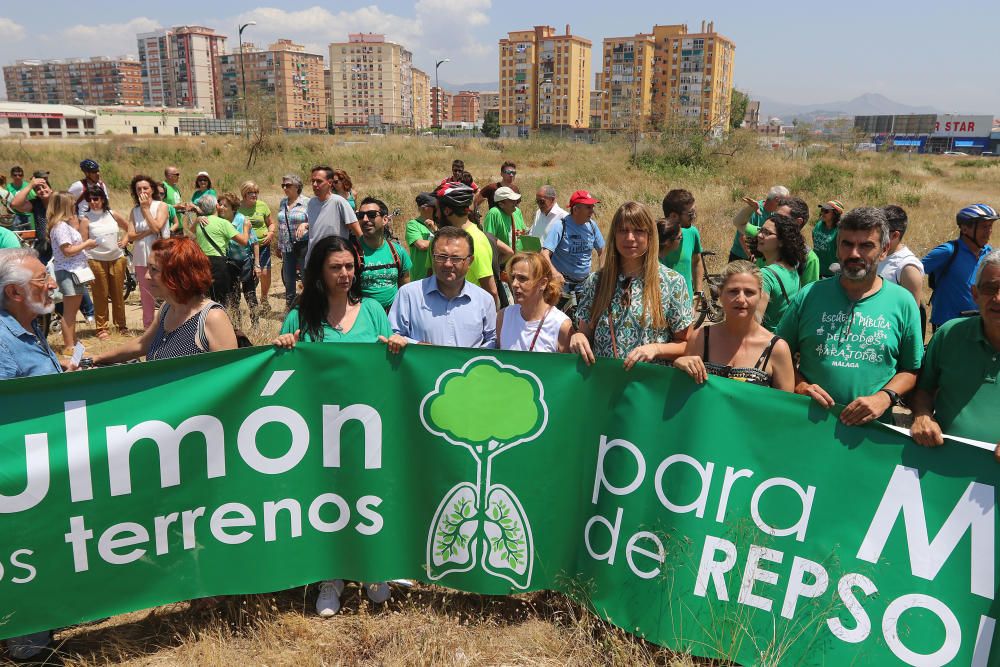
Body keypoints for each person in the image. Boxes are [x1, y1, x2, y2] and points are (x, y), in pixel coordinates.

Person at [271, 233, 396, 615]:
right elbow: (283, 372)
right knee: (326, 500)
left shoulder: (373, 310)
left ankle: (373, 567)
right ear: (318, 272)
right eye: (335, 267)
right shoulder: (299, 315)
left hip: (366, 425)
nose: (345, 274)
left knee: (368, 496)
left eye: (349, 266)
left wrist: (397, 347)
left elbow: (389, 366)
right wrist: (284, 346)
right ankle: (331, 574)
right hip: (317, 427)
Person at [776, 207, 923, 426]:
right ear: (837, 248)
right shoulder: (809, 295)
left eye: (865, 246)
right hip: (807, 423)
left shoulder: (903, 302)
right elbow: (777, 354)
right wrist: (800, 385)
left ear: (883, 251)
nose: (854, 254)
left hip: (871, 433)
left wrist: (884, 397)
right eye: (847, 244)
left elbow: (911, 369)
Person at [0, 248, 62, 661]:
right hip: (19, 477)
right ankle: (28, 648)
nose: (53, 283)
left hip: (44, 466)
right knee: (23, 553)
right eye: (42, 280)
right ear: (13, 293)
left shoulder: (29, 329)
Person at [571, 201, 692, 368]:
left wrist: (656, 349)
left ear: (650, 236)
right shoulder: (596, 281)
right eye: (623, 230)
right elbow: (585, 333)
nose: (630, 237)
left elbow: (686, 344)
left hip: (648, 388)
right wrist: (578, 337)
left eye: (638, 231)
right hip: (605, 385)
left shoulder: (672, 282)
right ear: (614, 235)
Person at [94, 237, 238, 364]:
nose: (146, 276)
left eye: (154, 269)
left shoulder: (212, 317)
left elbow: (228, 376)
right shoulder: (167, 308)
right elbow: (142, 344)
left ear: (179, 275)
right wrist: (96, 359)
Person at [911, 250, 1000, 452]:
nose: (998, 298)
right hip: (946, 466)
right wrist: (923, 415)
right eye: (990, 288)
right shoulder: (949, 334)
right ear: (975, 294)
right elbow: (923, 390)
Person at [674, 261, 794, 390]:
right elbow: (682, 391)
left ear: (760, 295)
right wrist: (679, 365)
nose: (741, 299)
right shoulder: (700, 337)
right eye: (733, 291)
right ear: (720, 293)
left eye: (749, 292)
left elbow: (784, 406)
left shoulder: (777, 348)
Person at [383, 225, 497, 350]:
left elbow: (493, 340)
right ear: (432, 257)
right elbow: (393, 335)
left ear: (470, 261)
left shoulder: (484, 300)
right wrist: (419, 346)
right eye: (441, 257)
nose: (448, 264)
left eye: (456, 258)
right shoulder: (409, 294)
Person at [922, 204, 995, 329]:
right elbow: (913, 271)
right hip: (948, 325)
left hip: (978, 324)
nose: (988, 231)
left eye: (990, 226)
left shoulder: (990, 254)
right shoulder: (948, 251)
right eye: (984, 227)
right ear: (965, 229)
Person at [434, 183, 499, 306]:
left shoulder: (475, 240)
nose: (436, 215)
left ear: (447, 211)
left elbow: (491, 291)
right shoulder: (445, 236)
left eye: (437, 210)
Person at [78, 185, 130, 339]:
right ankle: (102, 328)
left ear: (102, 199)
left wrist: (125, 240)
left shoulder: (112, 214)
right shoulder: (86, 220)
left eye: (96, 198)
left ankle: (121, 325)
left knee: (117, 294)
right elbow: (82, 241)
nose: (93, 202)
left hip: (117, 258)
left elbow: (129, 228)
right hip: (96, 260)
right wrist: (89, 244)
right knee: (100, 294)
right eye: (90, 199)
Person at [47, 191, 95, 355]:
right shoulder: (60, 227)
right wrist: (86, 243)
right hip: (69, 272)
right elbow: (67, 250)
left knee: (72, 311)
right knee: (69, 312)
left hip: (74, 271)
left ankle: (73, 342)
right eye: (72, 204)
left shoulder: (63, 225)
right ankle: (69, 346)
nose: (75, 206)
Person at [497, 252, 572, 352]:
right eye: (513, 277)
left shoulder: (561, 325)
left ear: (543, 283)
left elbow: (566, 366)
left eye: (522, 278)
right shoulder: (503, 317)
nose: (514, 284)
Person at [542, 190, 606, 302]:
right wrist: (554, 273)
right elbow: (544, 254)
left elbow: (603, 251)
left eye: (592, 207)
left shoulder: (592, 226)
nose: (592, 211)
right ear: (576, 209)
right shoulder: (561, 226)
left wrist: (601, 274)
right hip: (561, 289)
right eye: (588, 207)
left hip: (584, 287)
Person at [187, 193, 250, 303]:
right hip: (218, 263)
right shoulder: (223, 223)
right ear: (216, 206)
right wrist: (246, 227)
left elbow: (188, 235)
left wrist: (196, 220)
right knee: (221, 301)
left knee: (204, 300)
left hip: (201, 262)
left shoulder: (200, 222)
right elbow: (244, 241)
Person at [126, 174, 170, 328]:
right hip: (140, 256)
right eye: (139, 189)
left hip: (159, 256)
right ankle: (148, 327)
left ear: (152, 190)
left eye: (145, 188)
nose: (142, 191)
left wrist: (145, 209)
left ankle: (168, 324)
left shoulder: (161, 206)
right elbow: (130, 234)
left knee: (166, 291)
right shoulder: (134, 211)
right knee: (146, 294)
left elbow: (157, 227)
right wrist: (146, 232)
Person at [354, 196, 412, 310]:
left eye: (371, 215)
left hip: (392, 315)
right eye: (361, 216)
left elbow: (405, 286)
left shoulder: (398, 251)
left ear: (385, 220)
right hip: (363, 316)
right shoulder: (351, 251)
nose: (365, 219)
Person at [755, 213, 807, 332]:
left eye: (767, 233)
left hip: (767, 343)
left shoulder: (766, 275)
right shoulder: (792, 268)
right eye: (761, 230)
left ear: (782, 241)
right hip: (783, 340)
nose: (760, 235)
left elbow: (754, 322)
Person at [301, 166, 361, 263]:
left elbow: (357, 230)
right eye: (313, 181)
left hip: (335, 261)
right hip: (313, 259)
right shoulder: (311, 203)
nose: (315, 184)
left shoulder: (339, 202)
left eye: (319, 181)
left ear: (330, 182)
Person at [217, 192, 260, 317]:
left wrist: (257, 265)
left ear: (233, 208)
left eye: (225, 206)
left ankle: (255, 323)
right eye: (220, 205)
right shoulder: (220, 220)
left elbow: (255, 243)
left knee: (249, 293)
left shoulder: (242, 220)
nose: (222, 208)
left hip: (245, 261)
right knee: (233, 295)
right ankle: (237, 324)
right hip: (229, 262)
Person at [237, 181, 276, 312]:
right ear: (244, 194)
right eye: (250, 193)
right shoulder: (238, 207)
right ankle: (251, 302)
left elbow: (271, 223)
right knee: (249, 275)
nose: (254, 195)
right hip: (245, 246)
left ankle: (264, 298)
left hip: (263, 244)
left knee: (265, 273)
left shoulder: (262, 206)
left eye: (255, 192)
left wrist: (271, 233)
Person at [659, 189, 703, 298]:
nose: (693, 216)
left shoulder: (692, 232)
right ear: (674, 216)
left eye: (694, 212)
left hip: (686, 303)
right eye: (690, 213)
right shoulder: (655, 235)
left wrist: (698, 292)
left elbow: (697, 261)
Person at [879, 205, 924, 308]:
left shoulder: (908, 268)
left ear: (894, 235)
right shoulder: (874, 254)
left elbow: (911, 316)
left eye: (879, 231)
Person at [276, 173, 310, 309]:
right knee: (289, 281)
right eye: (283, 185)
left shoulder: (307, 202)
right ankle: (290, 310)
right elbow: (281, 225)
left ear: (297, 186)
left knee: (306, 278)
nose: (285, 188)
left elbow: (316, 221)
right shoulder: (283, 202)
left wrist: (306, 225)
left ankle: (309, 308)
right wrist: (279, 245)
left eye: (288, 185)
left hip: (303, 246)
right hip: (286, 247)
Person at [730, 185, 789, 261]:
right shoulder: (754, 209)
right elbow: (742, 237)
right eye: (785, 202)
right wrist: (751, 257)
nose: (786, 205)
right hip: (741, 257)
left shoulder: (774, 214)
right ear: (777, 199)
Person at [773, 196, 820, 286]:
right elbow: (741, 224)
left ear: (798, 222)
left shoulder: (809, 258)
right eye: (775, 216)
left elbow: (808, 295)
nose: (775, 220)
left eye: (782, 217)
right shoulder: (766, 239)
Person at [10, 171, 54, 263]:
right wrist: (30, 185)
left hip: (60, 246)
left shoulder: (59, 201)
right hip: (43, 248)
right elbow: (14, 204)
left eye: (44, 187)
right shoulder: (36, 204)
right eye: (38, 189)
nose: (42, 190)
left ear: (51, 189)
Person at [482, 186, 528, 258]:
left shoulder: (517, 211)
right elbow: (489, 240)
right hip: (503, 263)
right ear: (501, 204)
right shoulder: (494, 213)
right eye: (511, 200)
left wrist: (523, 233)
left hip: (519, 260)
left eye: (515, 200)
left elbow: (524, 230)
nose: (515, 202)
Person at [405, 192, 437, 279]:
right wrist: (441, 241)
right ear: (422, 208)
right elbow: (421, 245)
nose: (436, 208)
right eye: (432, 206)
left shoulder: (439, 224)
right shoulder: (413, 224)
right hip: (420, 276)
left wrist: (435, 230)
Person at [813, 200, 844, 278]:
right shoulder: (819, 224)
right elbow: (814, 238)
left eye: (826, 211)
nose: (822, 213)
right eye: (822, 210)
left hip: (830, 273)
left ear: (835, 214)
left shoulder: (840, 231)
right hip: (816, 268)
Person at [6, 165, 35, 230]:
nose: (18, 177)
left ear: (23, 176)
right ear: (11, 176)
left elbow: (33, 198)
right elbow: (7, 202)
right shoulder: (9, 187)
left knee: (31, 235)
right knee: (17, 235)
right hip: (15, 215)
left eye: (20, 175)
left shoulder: (27, 185)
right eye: (15, 175)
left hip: (28, 215)